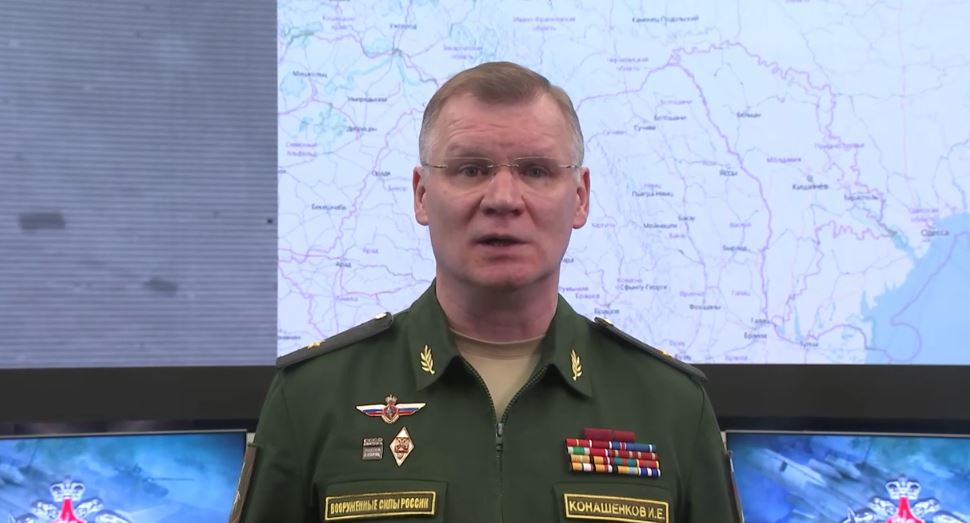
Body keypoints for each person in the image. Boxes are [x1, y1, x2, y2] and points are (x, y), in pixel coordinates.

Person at [231, 61, 741, 523]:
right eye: (471, 170)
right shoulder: (312, 399)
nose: (502, 199)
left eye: (536, 171)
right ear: (422, 195)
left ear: (580, 197)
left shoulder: (672, 408)